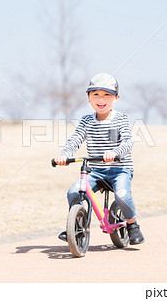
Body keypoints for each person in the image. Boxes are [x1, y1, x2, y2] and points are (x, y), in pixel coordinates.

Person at [54, 72, 144, 245]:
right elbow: (76, 138)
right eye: (95, 94)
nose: (100, 99)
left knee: (122, 196)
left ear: (116, 98)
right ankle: (76, 224)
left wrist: (116, 152)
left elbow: (128, 142)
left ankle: (133, 226)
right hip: (96, 171)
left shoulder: (121, 119)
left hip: (120, 170)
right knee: (74, 192)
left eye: (106, 95)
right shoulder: (87, 120)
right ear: (88, 98)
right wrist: (65, 154)